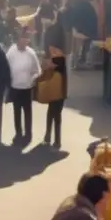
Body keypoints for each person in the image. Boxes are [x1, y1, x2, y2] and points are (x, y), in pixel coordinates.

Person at [6, 27, 41, 144]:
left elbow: (38, 70)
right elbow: (6, 67)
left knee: (27, 112)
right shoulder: (11, 52)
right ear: (18, 40)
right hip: (15, 87)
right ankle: (18, 133)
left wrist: (33, 79)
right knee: (17, 112)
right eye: (22, 39)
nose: (24, 42)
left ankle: (28, 134)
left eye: (26, 40)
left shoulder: (31, 53)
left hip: (27, 88)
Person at [42, 17, 68, 149]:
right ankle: (56, 138)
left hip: (53, 79)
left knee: (52, 109)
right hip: (60, 81)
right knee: (57, 110)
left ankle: (49, 135)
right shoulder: (61, 55)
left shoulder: (51, 52)